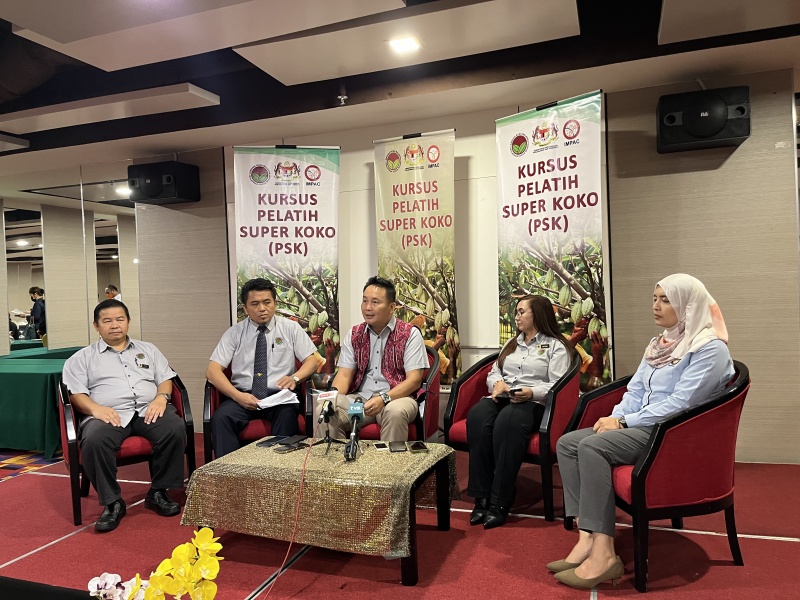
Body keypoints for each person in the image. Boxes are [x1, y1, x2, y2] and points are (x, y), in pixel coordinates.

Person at [549, 274, 733, 589]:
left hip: (670, 434)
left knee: (592, 447)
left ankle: (605, 554)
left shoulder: (709, 349)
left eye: (666, 300)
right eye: (655, 298)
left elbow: (681, 404)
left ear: (689, 305)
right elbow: (635, 392)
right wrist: (615, 417)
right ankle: (587, 537)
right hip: (642, 425)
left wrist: (624, 423)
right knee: (568, 444)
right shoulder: (659, 344)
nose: (656, 306)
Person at [61, 299, 186, 533]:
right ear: (96, 326)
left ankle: (158, 492)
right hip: (107, 413)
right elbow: (75, 394)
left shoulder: (148, 349)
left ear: (128, 322)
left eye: (120, 319)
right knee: (95, 439)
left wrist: (162, 398)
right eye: (107, 321)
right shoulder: (81, 358)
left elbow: (165, 378)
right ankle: (112, 502)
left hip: (148, 408)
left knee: (174, 427)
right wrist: (95, 409)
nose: (114, 325)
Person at [467, 295, 577, 529]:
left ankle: (500, 501)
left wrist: (531, 392)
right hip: (505, 396)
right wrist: (497, 384)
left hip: (534, 403)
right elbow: (494, 372)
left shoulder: (556, 346)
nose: (516, 317)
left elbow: (558, 385)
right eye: (516, 312)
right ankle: (481, 496)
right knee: (478, 415)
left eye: (521, 312)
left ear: (538, 314)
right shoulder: (512, 343)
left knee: (509, 420)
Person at [207, 278, 319, 458]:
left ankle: (276, 471)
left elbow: (312, 361)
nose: (262, 308)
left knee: (287, 414)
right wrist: (238, 396)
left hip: (279, 397)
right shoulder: (234, 333)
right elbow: (212, 371)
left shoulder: (291, 328)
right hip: (242, 396)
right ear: (245, 308)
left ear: (275, 303)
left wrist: (295, 378)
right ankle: (229, 472)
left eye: (267, 302)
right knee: (222, 418)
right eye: (255, 304)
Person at [324, 276, 428, 442]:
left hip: (397, 398)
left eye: (375, 302)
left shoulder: (410, 334)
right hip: (360, 398)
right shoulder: (354, 334)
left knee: (395, 412)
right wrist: (331, 397)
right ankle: (336, 458)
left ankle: (389, 460)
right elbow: (343, 375)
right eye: (365, 301)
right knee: (326, 409)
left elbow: (414, 380)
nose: (368, 308)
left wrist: (384, 398)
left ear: (392, 307)